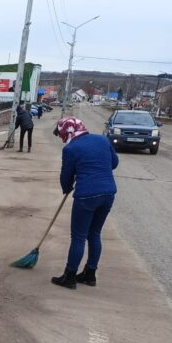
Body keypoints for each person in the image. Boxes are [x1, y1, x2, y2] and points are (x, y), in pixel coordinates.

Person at [50, 117, 119, 289]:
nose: (61, 138)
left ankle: (70, 276)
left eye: (61, 135)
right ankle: (90, 274)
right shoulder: (103, 140)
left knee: (79, 237)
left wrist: (67, 187)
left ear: (68, 131)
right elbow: (114, 163)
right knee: (94, 234)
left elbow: (66, 176)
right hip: (108, 193)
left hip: (87, 196)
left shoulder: (71, 149)